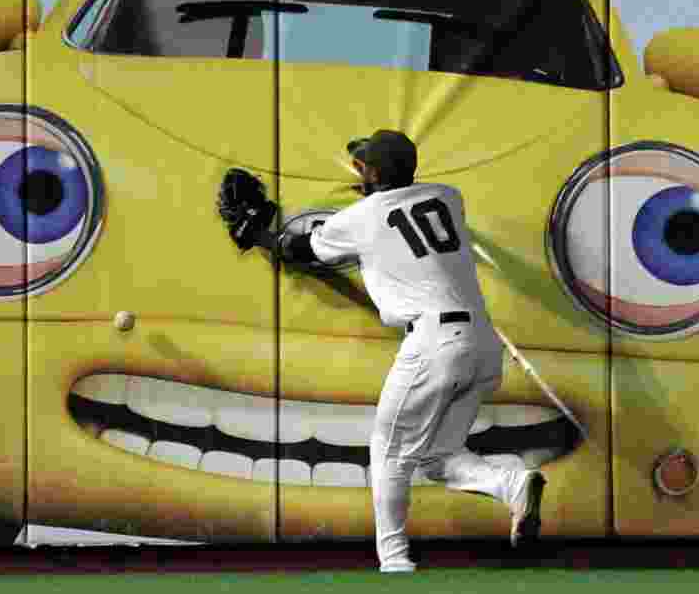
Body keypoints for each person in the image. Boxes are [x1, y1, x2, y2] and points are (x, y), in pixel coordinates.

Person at [220, 129, 545, 573]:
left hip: (432, 344)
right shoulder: (448, 197)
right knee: (438, 457)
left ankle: (393, 561)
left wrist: (257, 232)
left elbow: (298, 249)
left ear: (372, 173)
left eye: (363, 166)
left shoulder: (363, 216)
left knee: (389, 451)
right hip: (483, 346)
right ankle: (514, 484)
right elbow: (397, 197)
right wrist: (374, 172)